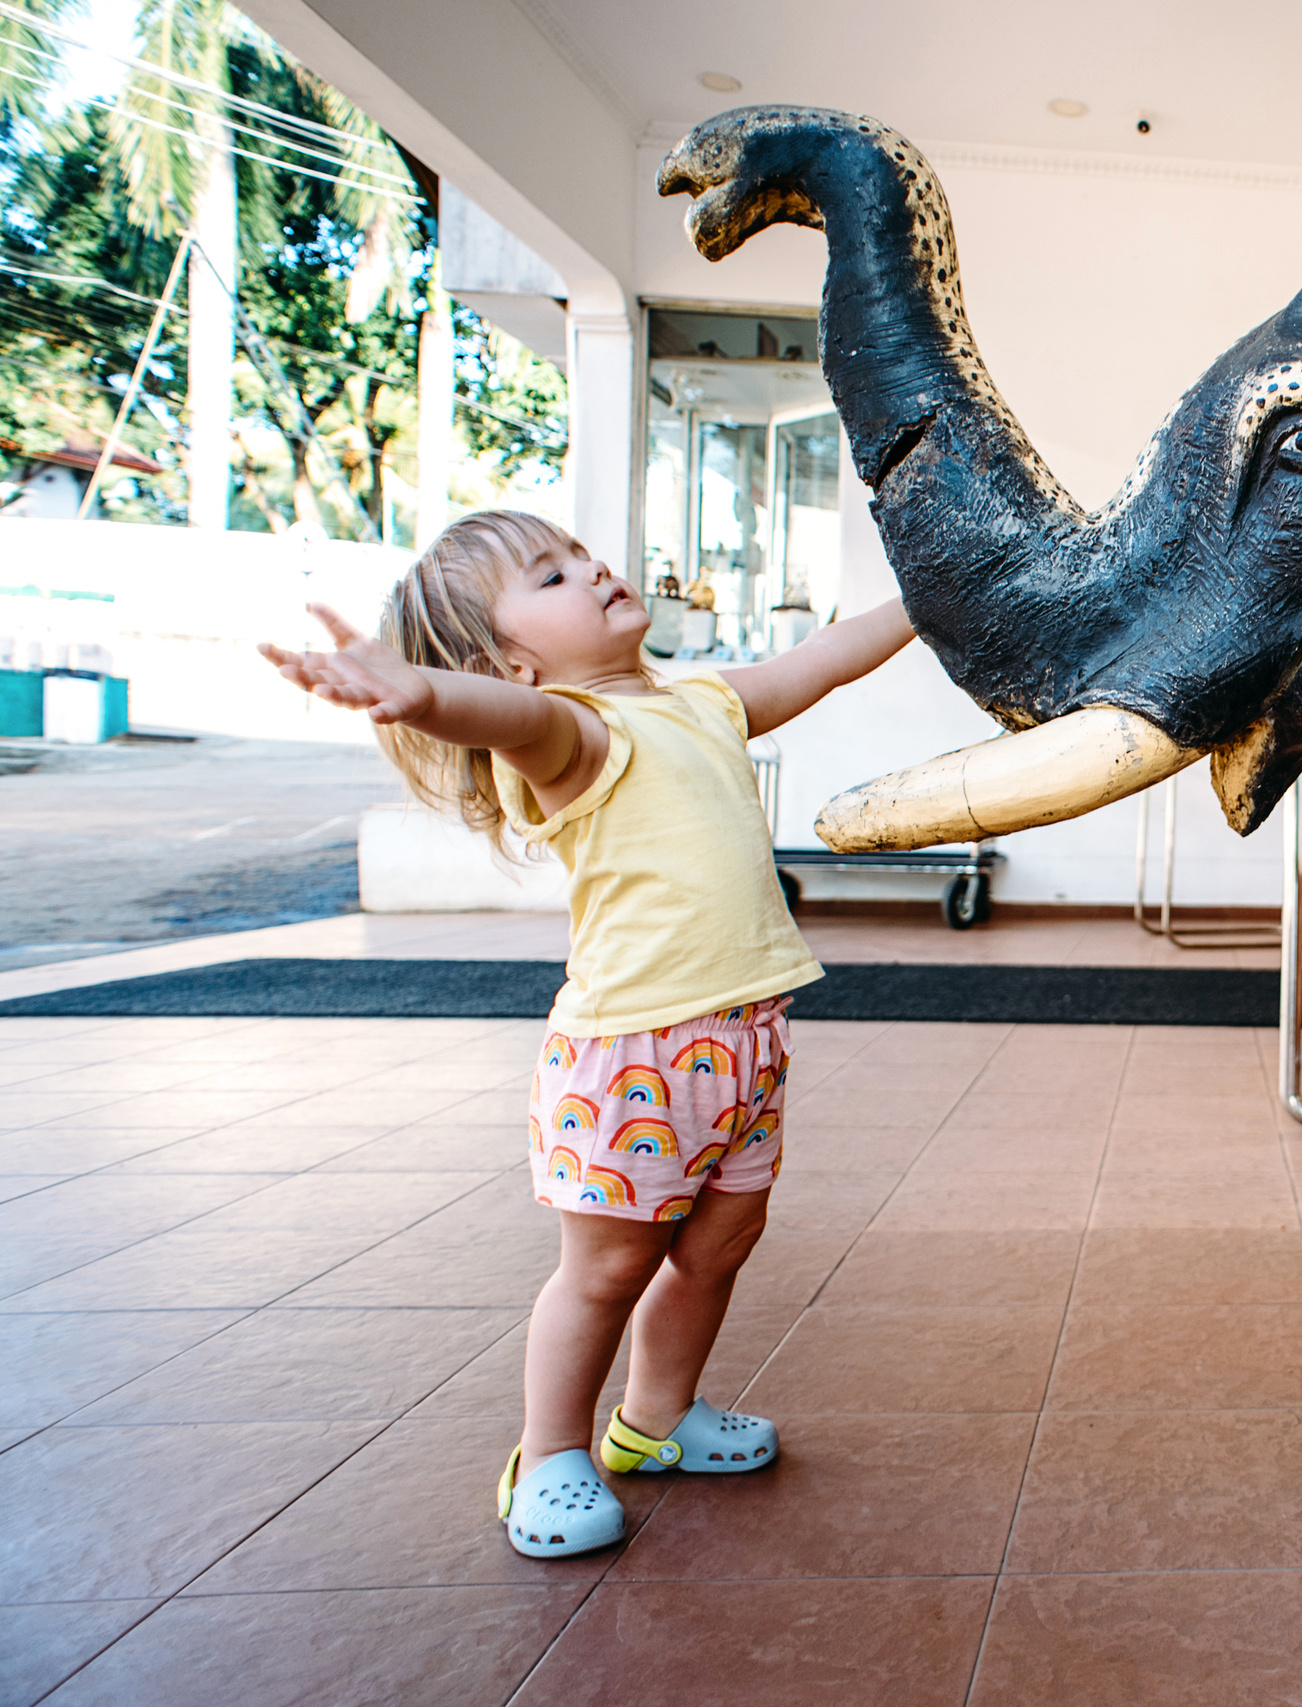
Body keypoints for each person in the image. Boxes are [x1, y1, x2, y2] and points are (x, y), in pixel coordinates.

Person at [260, 509, 914, 1557]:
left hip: (744, 1045)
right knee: (606, 1271)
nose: (592, 569)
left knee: (718, 1248)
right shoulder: (572, 731)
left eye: (580, 553)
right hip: (633, 1062)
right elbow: (498, 721)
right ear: (511, 662)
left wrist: (931, 597)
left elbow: (820, 661)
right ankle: (549, 1453)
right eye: (551, 575)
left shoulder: (700, 701)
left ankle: (656, 1421)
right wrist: (423, 696)